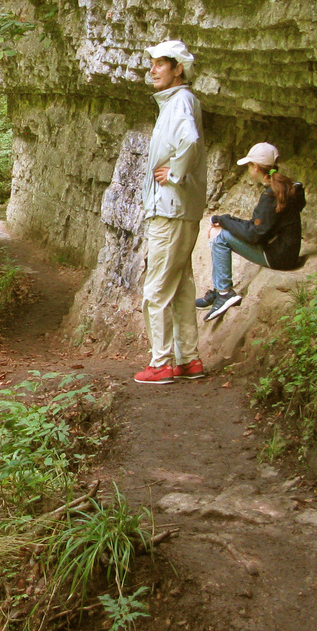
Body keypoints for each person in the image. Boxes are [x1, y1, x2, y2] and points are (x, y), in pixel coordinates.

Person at [135, 39, 207, 386]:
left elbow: (189, 142)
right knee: (179, 286)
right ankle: (188, 360)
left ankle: (161, 364)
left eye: (160, 64)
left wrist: (174, 173)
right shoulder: (179, 103)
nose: (153, 69)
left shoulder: (179, 103)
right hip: (179, 209)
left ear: (178, 68)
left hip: (171, 209)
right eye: (151, 64)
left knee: (156, 289)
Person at [198, 143, 306, 322]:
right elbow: (258, 227)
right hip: (284, 251)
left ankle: (224, 293)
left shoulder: (270, 196)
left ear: (256, 167)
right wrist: (226, 220)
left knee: (220, 236)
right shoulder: (285, 186)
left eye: (249, 165)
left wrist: (223, 222)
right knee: (222, 229)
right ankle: (219, 291)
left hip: (278, 256)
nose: (248, 169)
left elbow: (253, 235)